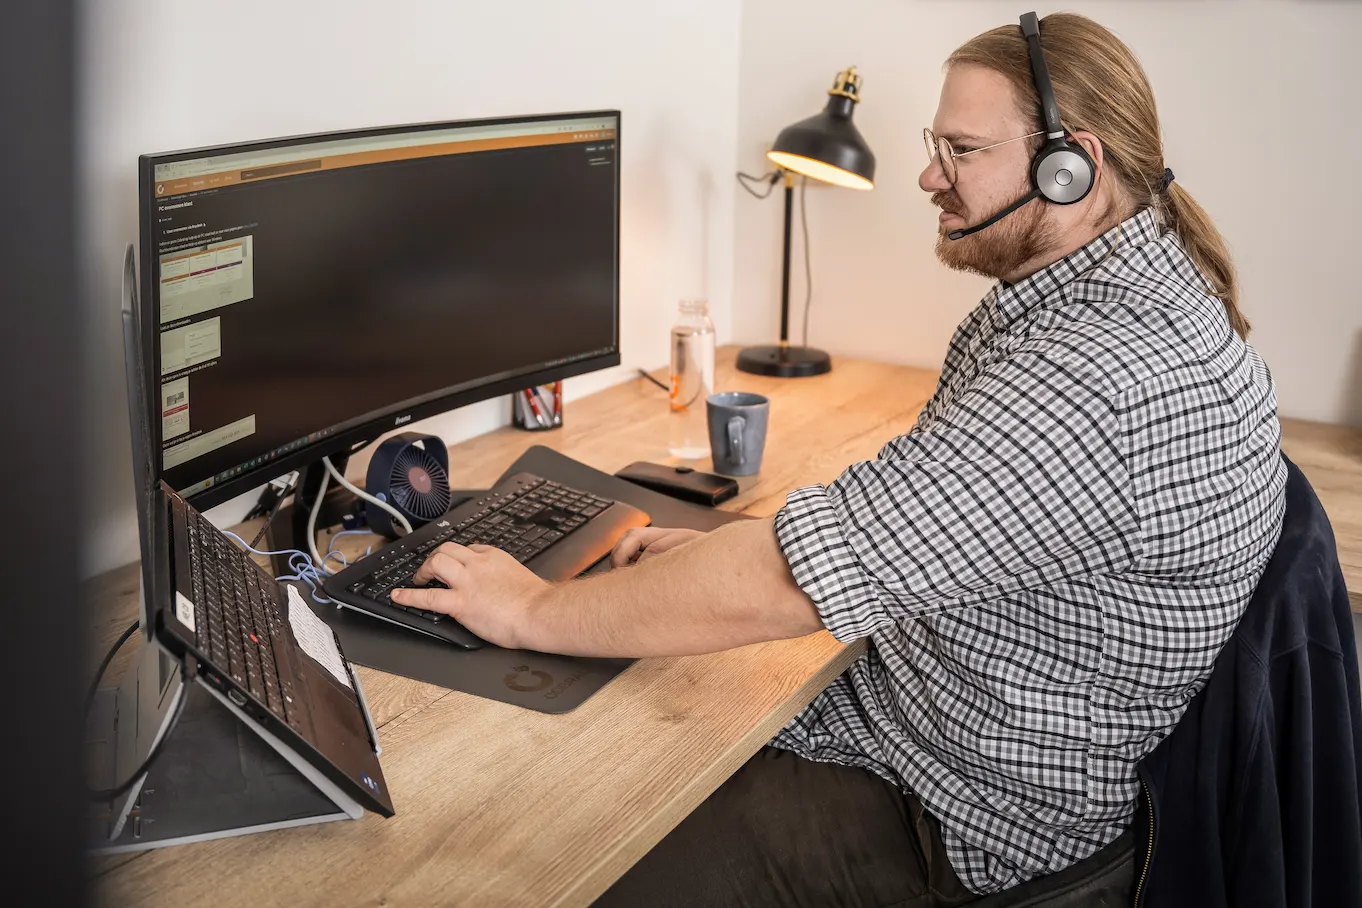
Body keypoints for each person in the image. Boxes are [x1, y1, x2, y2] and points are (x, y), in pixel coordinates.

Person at [391, 11, 1286, 905]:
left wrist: (535, 609)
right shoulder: (1120, 295)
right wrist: (721, 555)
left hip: (953, 819)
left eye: (963, 150)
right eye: (936, 143)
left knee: (561, 854)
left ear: (1072, 167)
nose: (930, 175)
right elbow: (901, 525)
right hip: (937, 729)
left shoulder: (1096, 378)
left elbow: (788, 583)